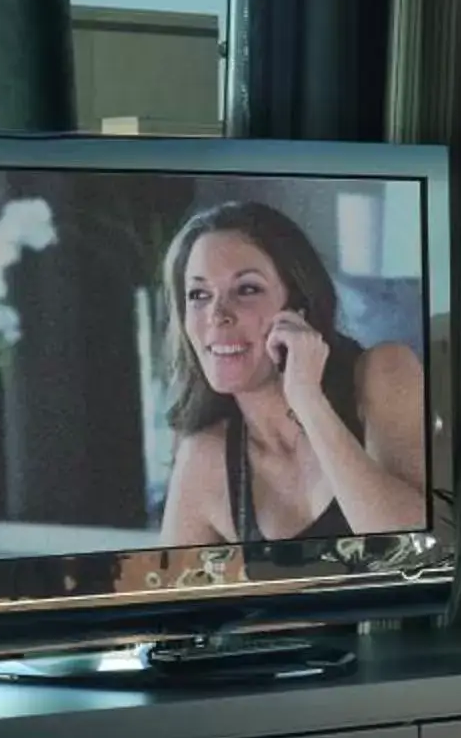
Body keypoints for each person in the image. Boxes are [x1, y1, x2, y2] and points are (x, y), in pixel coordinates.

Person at [154, 201, 430, 546]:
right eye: (198, 294)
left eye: (247, 289)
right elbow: (173, 596)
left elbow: (414, 552)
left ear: (298, 306)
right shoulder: (203, 460)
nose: (216, 314)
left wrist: (308, 402)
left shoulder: (383, 371)